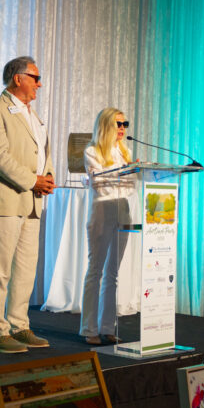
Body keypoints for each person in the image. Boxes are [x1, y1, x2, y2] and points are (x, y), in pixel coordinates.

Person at [0, 57, 55, 353]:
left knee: (25, 269)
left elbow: (42, 152)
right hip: (6, 199)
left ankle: (19, 325)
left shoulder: (34, 115)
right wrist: (33, 180)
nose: (40, 83)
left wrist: (48, 177)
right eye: (36, 77)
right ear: (18, 78)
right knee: (0, 269)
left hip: (32, 202)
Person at [80, 108, 135, 345]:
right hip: (102, 212)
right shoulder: (92, 151)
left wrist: (119, 177)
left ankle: (107, 326)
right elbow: (100, 186)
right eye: (118, 124)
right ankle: (89, 328)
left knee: (113, 273)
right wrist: (120, 177)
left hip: (123, 211)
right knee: (96, 270)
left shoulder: (126, 152)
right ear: (106, 126)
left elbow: (130, 186)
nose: (122, 128)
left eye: (125, 124)